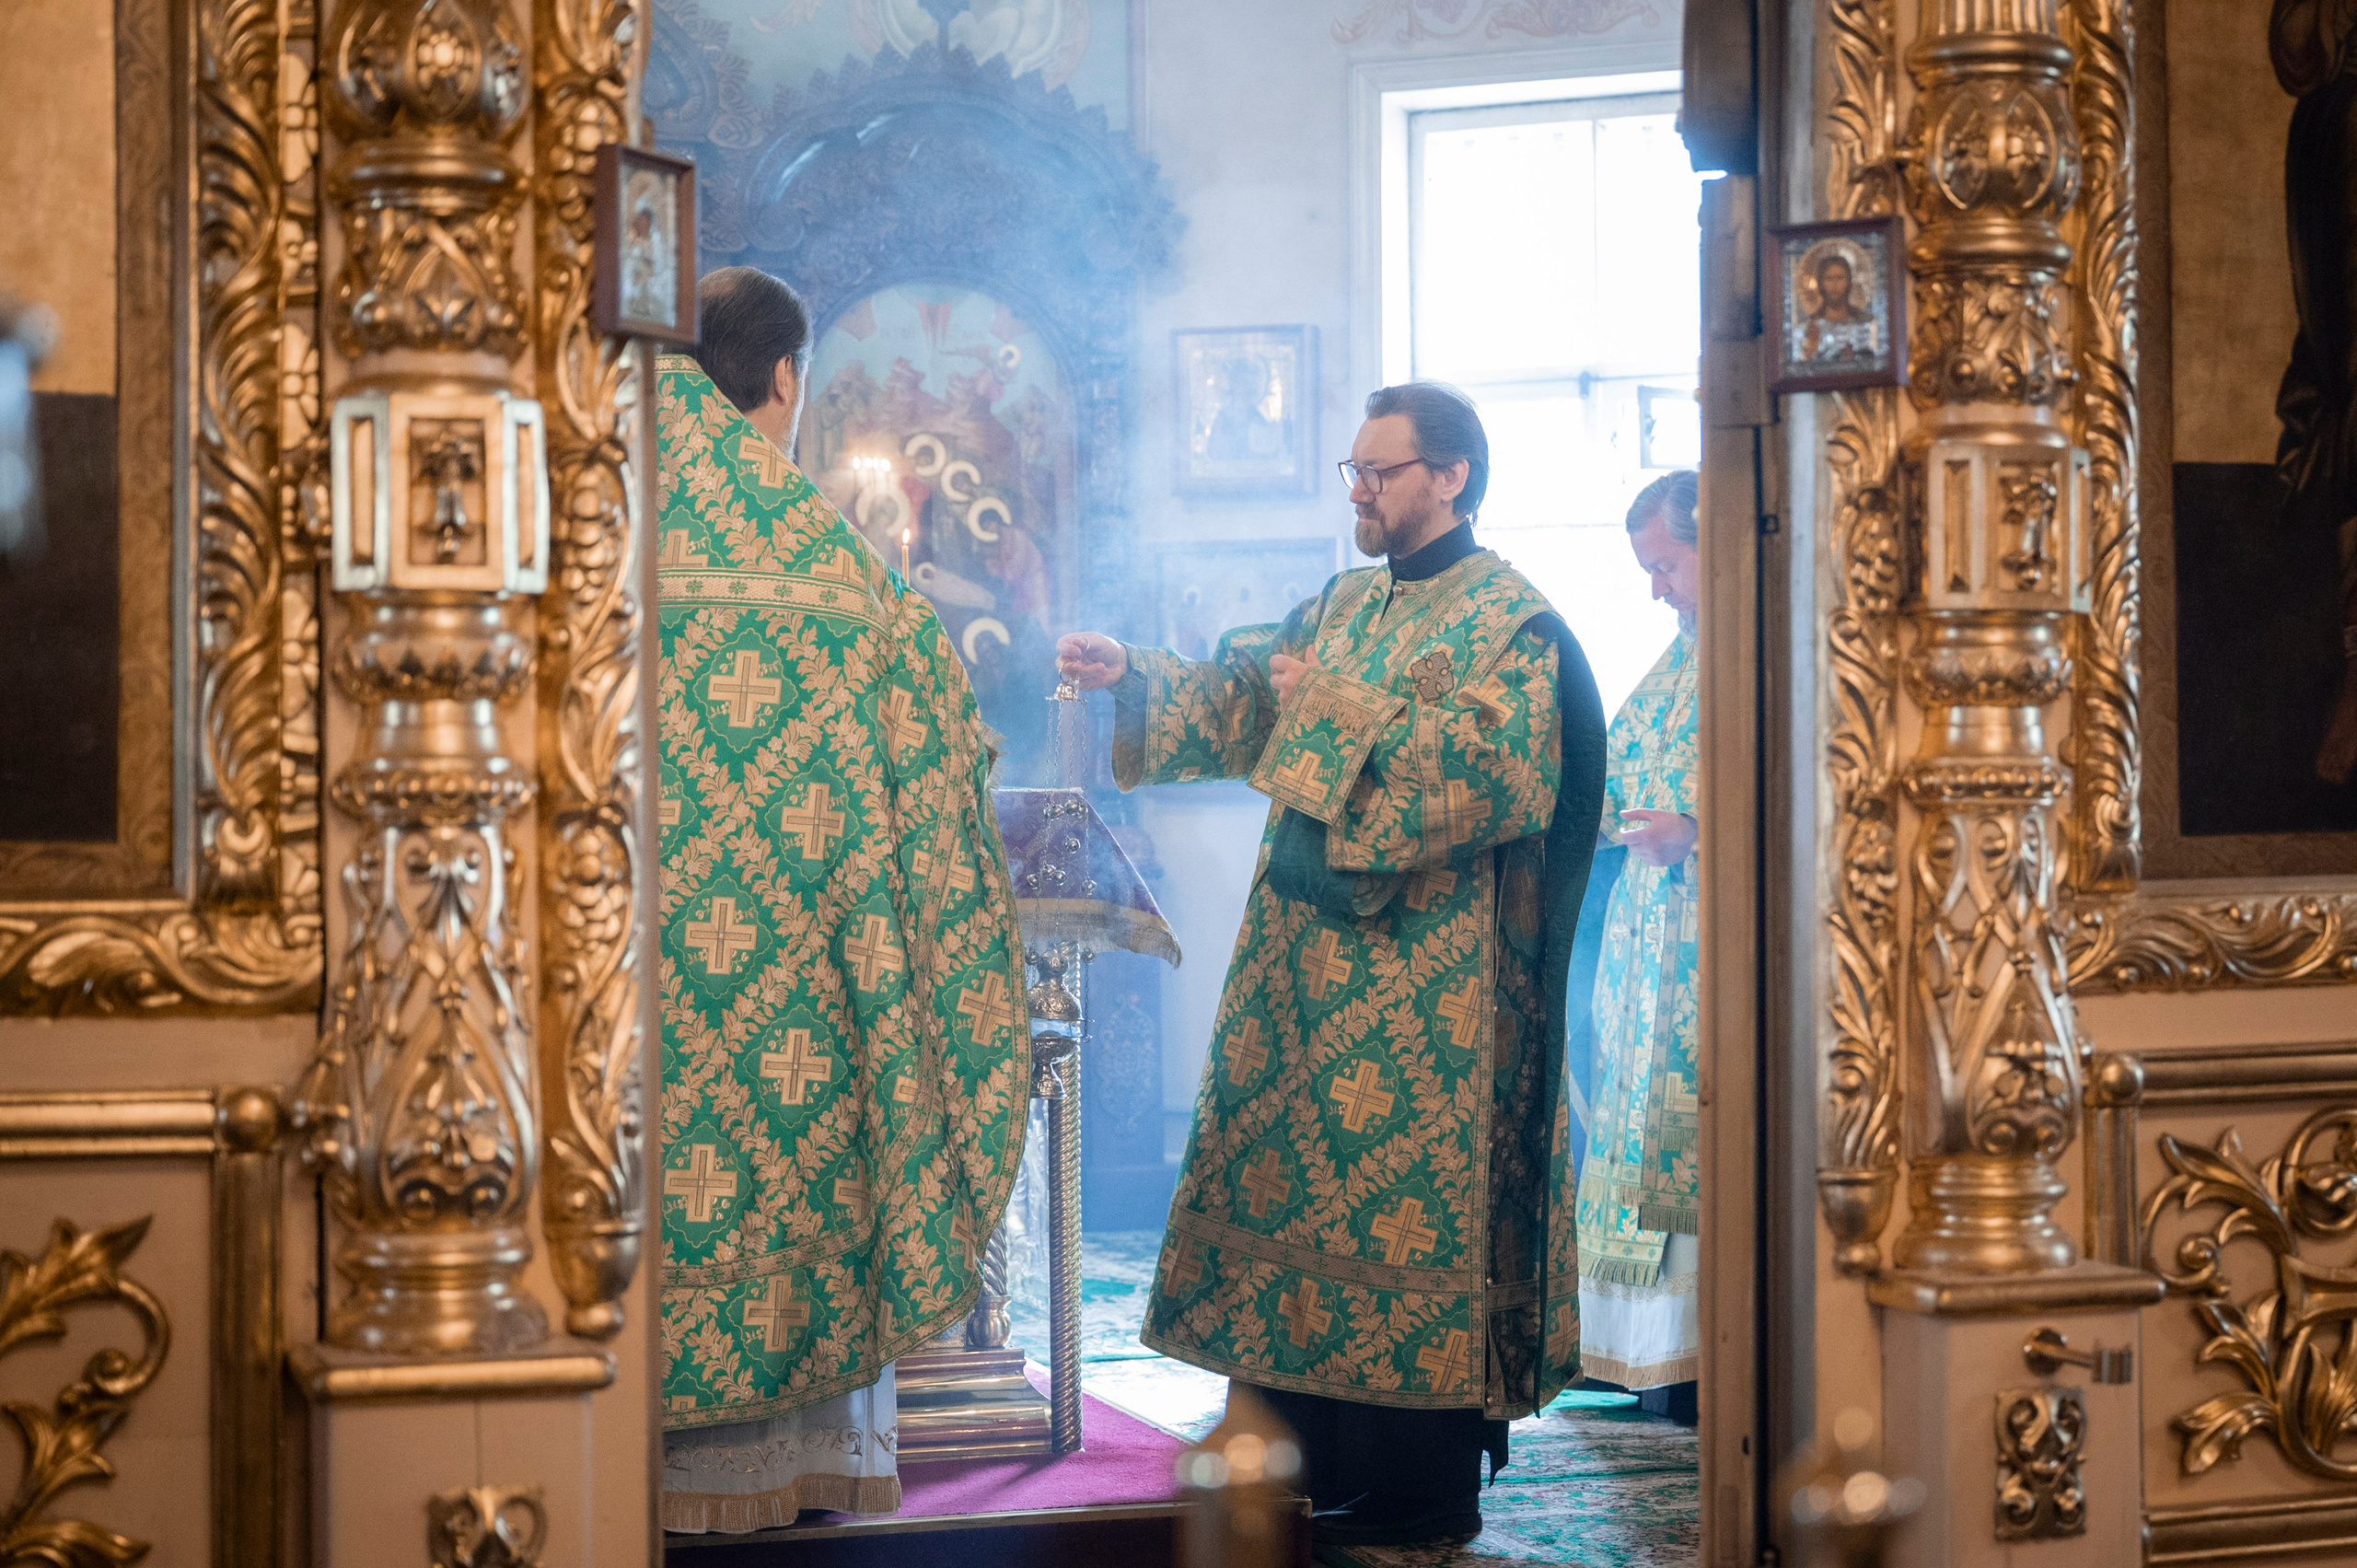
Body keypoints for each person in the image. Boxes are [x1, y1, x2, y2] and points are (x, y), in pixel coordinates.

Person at [1058, 382, 1608, 1550]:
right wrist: (1133, 672)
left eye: (1382, 471)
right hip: (1301, 985)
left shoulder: (1512, 623)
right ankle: (1303, 1463)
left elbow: (1497, 774)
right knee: (1290, 1206)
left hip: (1432, 1002)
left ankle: (1419, 1489)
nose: (1358, 490)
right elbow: (1246, 694)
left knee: (1408, 1232)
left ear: (1450, 475)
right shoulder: (1345, 601)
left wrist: (1336, 708)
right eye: (1352, 471)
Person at [655, 266, 1031, 1529]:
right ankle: (790, 1480)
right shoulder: (832, 566)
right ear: (783, 381)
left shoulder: (599, 518)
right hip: (798, 1009)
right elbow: (941, 748)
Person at [1574, 470, 1703, 1423]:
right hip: (1643, 946)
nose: (1655, 588)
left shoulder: (1760, 652)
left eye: (1665, 564)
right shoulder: (1670, 665)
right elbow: (1614, 779)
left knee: (1688, 1143)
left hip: (1708, 949)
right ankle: (1631, 1352)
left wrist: (1694, 830)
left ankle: (1695, 1357)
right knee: (1630, 1134)